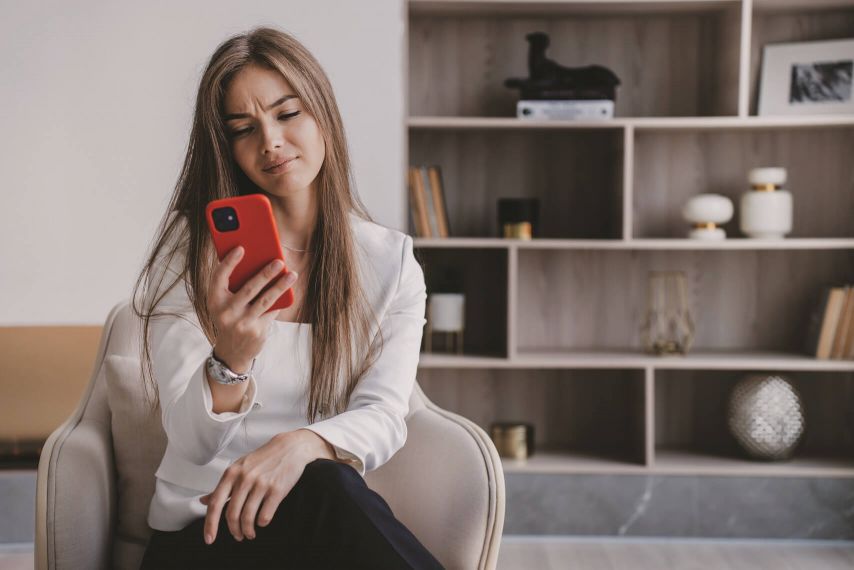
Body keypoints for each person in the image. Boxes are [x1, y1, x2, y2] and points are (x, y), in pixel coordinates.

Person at [132, 26, 443, 569]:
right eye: (244, 129)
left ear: (322, 112)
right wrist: (230, 360)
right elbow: (190, 443)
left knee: (325, 480)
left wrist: (301, 445)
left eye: (287, 113)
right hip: (202, 532)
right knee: (331, 488)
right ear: (225, 148)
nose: (271, 141)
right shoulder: (188, 256)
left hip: (313, 527)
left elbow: (385, 414)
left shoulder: (389, 262)